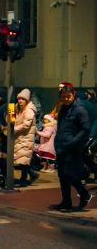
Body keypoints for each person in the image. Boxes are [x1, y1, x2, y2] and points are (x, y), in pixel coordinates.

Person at [51, 84, 92, 212]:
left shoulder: (79, 110)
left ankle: (85, 194)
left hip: (73, 148)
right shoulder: (63, 109)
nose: (66, 99)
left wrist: (74, 141)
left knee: (69, 174)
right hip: (61, 147)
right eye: (63, 97)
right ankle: (66, 202)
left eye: (68, 96)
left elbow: (85, 128)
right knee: (62, 176)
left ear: (73, 95)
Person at [11, 89, 38, 187]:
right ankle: (30, 175)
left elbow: (26, 125)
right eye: (19, 99)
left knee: (23, 160)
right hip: (21, 137)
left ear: (27, 100)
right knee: (22, 159)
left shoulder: (28, 111)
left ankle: (23, 180)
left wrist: (13, 129)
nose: (20, 101)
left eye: (23, 99)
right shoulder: (20, 109)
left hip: (26, 138)